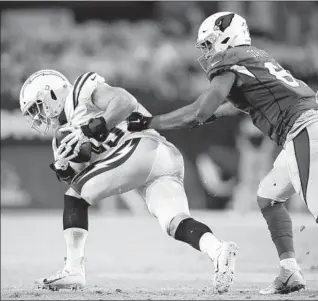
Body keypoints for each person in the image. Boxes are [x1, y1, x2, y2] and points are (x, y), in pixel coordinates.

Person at [126, 11, 318, 295]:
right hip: (314, 124)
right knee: (268, 196)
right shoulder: (257, 56)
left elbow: (199, 111)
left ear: (227, 37)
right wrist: (207, 115)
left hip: (304, 129)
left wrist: (153, 122)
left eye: (210, 43)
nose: (208, 51)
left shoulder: (230, 59)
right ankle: (289, 271)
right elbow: (238, 105)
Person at [19, 69, 239, 293]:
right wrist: (65, 168)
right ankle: (218, 250)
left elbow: (125, 101)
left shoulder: (80, 95)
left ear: (51, 95)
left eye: (37, 108)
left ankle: (73, 269)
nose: (39, 117)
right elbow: (81, 179)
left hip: (139, 147)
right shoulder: (62, 138)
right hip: (162, 159)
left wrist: (92, 127)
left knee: (75, 195)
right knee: (175, 222)